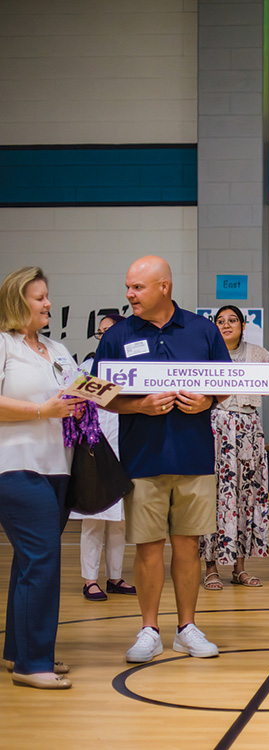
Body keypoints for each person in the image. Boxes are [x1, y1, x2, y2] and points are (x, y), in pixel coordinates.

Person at [92, 255, 231, 664]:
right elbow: (98, 393)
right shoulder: (117, 336)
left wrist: (207, 400)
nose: (129, 294)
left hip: (195, 458)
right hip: (142, 460)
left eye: (137, 287)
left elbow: (224, 383)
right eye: (129, 287)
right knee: (148, 548)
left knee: (188, 546)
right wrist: (139, 406)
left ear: (164, 287)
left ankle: (187, 629)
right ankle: (149, 630)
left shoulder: (203, 330)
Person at [0, 267, 85, 689]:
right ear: (18, 302)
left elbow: (72, 394)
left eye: (47, 296)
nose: (48, 303)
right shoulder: (3, 345)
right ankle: (33, 665)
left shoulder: (57, 349)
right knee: (43, 560)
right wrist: (40, 411)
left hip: (58, 467)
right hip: (16, 465)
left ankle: (21, 651)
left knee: (29, 562)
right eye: (40, 298)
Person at [200, 305, 269, 589]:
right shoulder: (207, 354)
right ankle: (210, 567)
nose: (226, 325)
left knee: (246, 494)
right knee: (214, 495)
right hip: (216, 427)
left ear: (243, 325)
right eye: (220, 321)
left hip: (248, 429)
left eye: (232, 320)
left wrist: (264, 387)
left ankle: (239, 568)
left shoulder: (256, 353)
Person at [69, 313, 137, 602]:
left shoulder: (134, 368)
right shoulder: (87, 368)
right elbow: (72, 406)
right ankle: (90, 580)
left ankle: (115, 577)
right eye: (100, 332)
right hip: (96, 451)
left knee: (119, 520)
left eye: (109, 330)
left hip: (126, 451)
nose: (104, 336)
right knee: (94, 518)